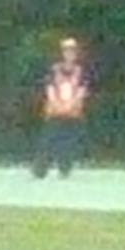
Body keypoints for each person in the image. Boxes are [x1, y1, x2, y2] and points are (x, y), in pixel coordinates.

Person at [33, 35, 91, 179]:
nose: (69, 54)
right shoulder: (53, 70)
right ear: (61, 53)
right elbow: (50, 89)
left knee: (68, 142)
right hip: (54, 112)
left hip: (73, 113)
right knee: (47, 140)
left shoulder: (81, 71)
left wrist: (70, 106)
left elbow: (81, 91)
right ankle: (40, 170)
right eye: (66, 50)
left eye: (72, 51)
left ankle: (64, 169)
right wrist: (58, 105)